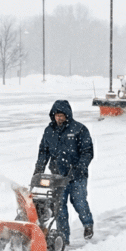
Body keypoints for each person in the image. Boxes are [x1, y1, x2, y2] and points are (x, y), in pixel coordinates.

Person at [34, 100, 94, 241]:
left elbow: (87, 152)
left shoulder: (79, 129)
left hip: (76, 176)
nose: (59, 118)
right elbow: (43, 152)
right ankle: (62, 237)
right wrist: (38, 171)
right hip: (57, 177)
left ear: (67, 115)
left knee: (79, 202)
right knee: (59, 208)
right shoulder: (49, 131)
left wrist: (79, 167)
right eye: (56, 115)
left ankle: (88, 224)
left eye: (62, 115)